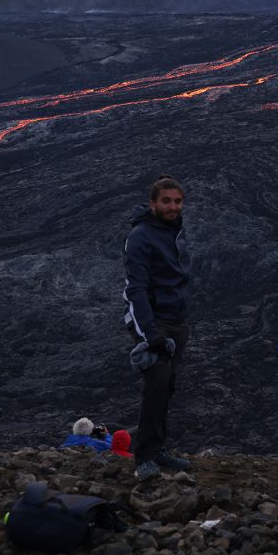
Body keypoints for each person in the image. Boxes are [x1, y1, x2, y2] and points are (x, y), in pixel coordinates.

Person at [123, 175, 193, 480]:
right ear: (153, 204)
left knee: (167, 387)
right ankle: (144, 458)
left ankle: (157, 447)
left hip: (176, 321)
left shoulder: (173, 232)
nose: (173, 206)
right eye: (166, 201)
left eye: (177, 201)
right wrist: (150, 334)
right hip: (152, 321)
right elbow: (135, 289)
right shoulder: (141, 236)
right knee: (156, 384)